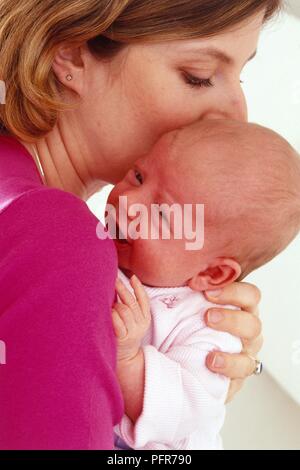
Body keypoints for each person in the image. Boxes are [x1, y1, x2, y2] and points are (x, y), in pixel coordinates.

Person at [0, 0, 281, 450]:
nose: (236, 115)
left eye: (241, 75)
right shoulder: (63, 244)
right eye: (199, 75)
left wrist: (183, 370)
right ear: (71, 53)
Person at [109, 119, 300, 450]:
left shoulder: (212, 327)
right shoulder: (105, 246)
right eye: (139, 175)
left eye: (163, 214)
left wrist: (128, 361)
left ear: (212, 275)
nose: (129, 202)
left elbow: (181, 411)